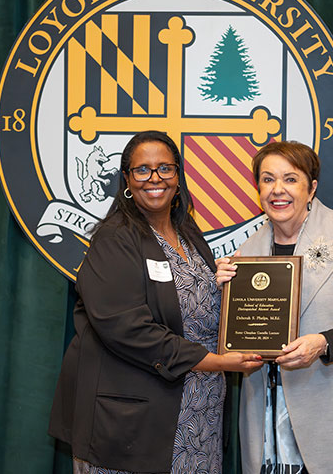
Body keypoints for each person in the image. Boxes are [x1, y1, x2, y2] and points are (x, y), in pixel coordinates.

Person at [49, 131, 263, 474]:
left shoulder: (187, 232)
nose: (155, 179)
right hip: (136, 423)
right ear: (126, 180)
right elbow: (125, 328)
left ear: (178, 176)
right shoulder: (115, 239)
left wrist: (225, 287)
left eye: (165, 168)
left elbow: (192, 306)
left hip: (199, 414)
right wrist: (217, 362)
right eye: (142, 170)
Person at [216, 141, 333, 473]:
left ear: (311, 187)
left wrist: (323, 343)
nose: (277, 190)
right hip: (269, 421)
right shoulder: (246, 254)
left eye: (290, 179)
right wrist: (223, 295)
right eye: (267, 179)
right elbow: (238, 338)